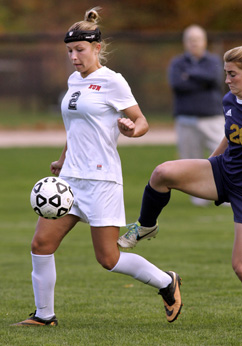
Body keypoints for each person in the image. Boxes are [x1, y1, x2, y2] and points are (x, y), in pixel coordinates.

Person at [13, 7, 182, 326]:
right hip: (70, 181)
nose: (74, 57)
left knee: (108, 258)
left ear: (97, 48)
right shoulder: (73, 79)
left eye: (79, 50)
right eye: (69, 51)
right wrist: (63, 158)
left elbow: (141, 120)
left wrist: (133, 130)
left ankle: (165, 281)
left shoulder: (113, 81)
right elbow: (75, 127)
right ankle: (44, 316)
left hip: (102, 181)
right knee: (41, 244)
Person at [118, 46, 242, 290]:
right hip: (225, 171)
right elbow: (231, 135)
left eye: (233, 74)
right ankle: (146, 226)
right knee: (163, 173)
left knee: (239, 266)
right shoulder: (230, 100)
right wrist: (210, 163)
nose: (227, 80)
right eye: (225, 74)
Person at [168, 25, 225, 206]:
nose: (194, 43)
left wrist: (190, 75)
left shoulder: (214, 60)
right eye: (190, 40)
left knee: (222, 156)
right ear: (185, 43)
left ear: (204, 41)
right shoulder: (177, 63)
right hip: (186, 119)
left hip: (212, 118)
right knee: (191, 159)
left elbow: (215, 79)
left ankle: (225, 194)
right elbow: (177, 84)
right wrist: (201, 80)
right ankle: (199, 197)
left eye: (197, 39)